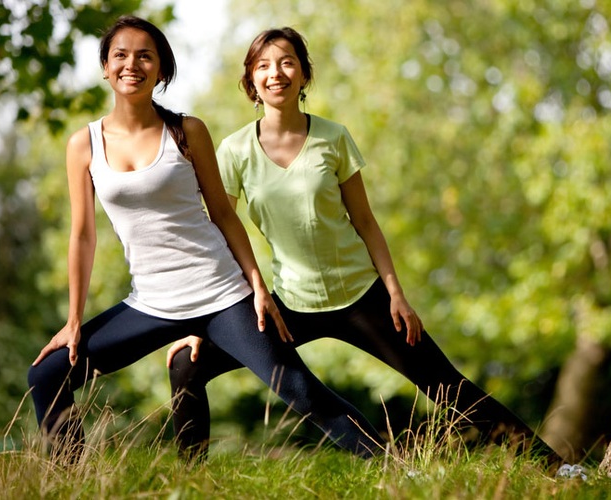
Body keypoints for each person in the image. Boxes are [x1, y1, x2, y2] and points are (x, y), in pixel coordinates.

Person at [167, 27, 562, 465]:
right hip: (289, 307)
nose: (275, 73)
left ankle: (556, 467)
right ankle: (190, 482)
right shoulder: (234, 150)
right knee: (186, 363)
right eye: (262, 66)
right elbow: (222, 229)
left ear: (303, 74)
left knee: (448, 388)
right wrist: (206, 318)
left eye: (286, 62)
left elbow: (367, 222)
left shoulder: (333, 138)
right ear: (251, 81)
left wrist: (396, 293)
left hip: (362, 296)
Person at [26, 16, 382, 462]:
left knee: (298, 390)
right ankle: (71, 480)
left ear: (161, 69)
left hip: (220, 293)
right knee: (48, 373)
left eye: (145, 55)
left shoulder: (187, 131)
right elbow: (81, 236)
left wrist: (255, 285)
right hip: (151, 302)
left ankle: (395, 464)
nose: (131, 64)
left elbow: (224, 216)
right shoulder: (85, 143)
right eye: (120, 55)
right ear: (105, 67)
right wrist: (73, 320)